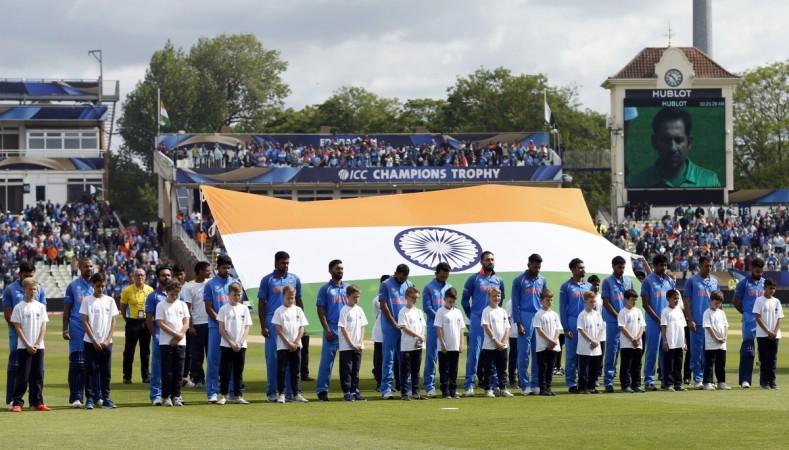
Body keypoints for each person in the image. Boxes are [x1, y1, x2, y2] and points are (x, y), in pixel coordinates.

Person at [627, 106, 721, 188]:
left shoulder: (710, 181)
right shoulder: (636, 183)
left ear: (689, 142)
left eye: (679, 140)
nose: (673, 148)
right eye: (666, 140)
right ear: (654, 142)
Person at [258, 251, 302, 402]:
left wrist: (301, 321)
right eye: (283, 263)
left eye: (287, 263)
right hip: (272, 319)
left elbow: (299, 300)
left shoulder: (294, 279)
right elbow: (262, 303)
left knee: (292, 357)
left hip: (291, 319)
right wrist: (263, 325)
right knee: (273, 359)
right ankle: (272, 392)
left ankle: (291, 393)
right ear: (276, 263)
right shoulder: (267, 280)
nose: (286, 266)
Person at [462, 251, 506, 396]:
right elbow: (464, 300)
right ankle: (469, 385)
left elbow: (501, 298)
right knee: (474, 353)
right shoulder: (474, 279)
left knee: (493, 353)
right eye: (487, 259)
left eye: (492, 259)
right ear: (481, 261)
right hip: (477, 321)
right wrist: (472, 315)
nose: (490, 261)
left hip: (493, 322)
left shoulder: (498, 280)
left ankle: (494, 385)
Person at [4, 260, 46, 409]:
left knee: (37, 371)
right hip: (18, 335)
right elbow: (9, 316)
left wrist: (35, 340)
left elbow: (42, 317)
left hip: (36, 338)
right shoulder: (10, 289)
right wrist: (24, 336)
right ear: (20, 274)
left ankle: (36, 401)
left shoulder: (40, 290)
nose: (28, 277)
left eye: (31, 274)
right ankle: (13, 400)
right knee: (17, 367)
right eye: (26, 275)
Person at [80, 273, 119, 409]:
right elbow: (84, 321)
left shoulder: (110, 300)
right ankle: (90, 399)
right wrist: (93, 339)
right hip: (90, 342)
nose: (100, 289)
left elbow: (113, 320)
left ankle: (105, 398)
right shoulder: (87, 300)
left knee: (105, 371)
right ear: (93, 285)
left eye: (103, 286)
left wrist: (108, 339)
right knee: (90, 371)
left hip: (106, 342)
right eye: (98, 286)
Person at [511, 253, 548, 396]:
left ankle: (535, 383)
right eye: (534, 266)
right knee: (524, 354)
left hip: (538, 317)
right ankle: (524, 384)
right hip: (525, 317)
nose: (537, 269)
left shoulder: (542, 280)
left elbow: (545, 301)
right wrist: (518, 323)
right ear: (528, 265)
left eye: (539, 267)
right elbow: (515, 303)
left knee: (537, 353)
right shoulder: (519, 280)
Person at [379, 264, 414, 400]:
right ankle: (386, 389)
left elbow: (411, 305)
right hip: (390, 328)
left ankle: (407, 388)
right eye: (401, 276)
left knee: (406, 359)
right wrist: (394, 323)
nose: (403, 279)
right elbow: (384, 305)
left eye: (405, 277)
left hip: (405, 328)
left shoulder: (409, 284)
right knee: (389, 358)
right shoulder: (386, 285)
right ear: (396, 273)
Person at [204, 255, 236, 403]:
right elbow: (208, 307)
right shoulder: (211, 284)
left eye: (228, 267)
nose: (226, 270)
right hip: (216, 327)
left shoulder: (234, 283)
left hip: (232, 328)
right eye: (224, 267)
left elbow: (238, 305)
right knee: (214, 359)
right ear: (218, 268)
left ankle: (230, 391)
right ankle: (212, 392)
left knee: (230, 360)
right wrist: (220, 321)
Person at [315, 259, 348, 401]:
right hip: (332, 328)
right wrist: (327, 329)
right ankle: (322, 390)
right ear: (330, 271)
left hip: (346, 329)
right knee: (327, 362)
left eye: (341, 268)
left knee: (347, 363)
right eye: (337, 268)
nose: (340, 271)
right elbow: (320, 310)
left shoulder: (348, 288)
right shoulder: (325, 289)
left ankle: (349, 390)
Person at [684, 255, 719, 389]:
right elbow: (686, 301)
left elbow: (718, 302)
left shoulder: (714, 282)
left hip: (711, 323)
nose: (709, 268)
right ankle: (697, 378)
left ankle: (707, 379)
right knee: (696, 352)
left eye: (710, 266)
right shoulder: (692, 281)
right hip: (697, 322)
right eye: (706, 266)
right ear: (700, 265)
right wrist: (690, 319)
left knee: (710, 353)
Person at [62, 257, 93, 408]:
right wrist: (65, 328)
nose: (89, 268)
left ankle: (93, 397)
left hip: (95, 331)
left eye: (91, 266)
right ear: (80, 268)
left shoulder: (97, 285)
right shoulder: (73, 286)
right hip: (77, 328)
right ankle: (76, 397)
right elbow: (67, 309)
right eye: (86, 266)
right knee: (77, 364)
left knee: (93, 365)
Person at [641, 254, 674, 391]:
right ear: (654, 266)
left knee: (666, 352)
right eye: (661, 265)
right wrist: (658, 319)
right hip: (654, 322)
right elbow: (646, 304)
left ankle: (666, 381)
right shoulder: (648, 281)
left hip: (667, 322)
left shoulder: (669, 281)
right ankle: (649, 381)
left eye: (665, 265)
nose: (664, 268)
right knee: (652, 351)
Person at [271, 285, 309, 403]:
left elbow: (302, 327)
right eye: (288, 298)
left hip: (296, 345)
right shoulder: (279, 311)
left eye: (292, 298)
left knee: (296, 370)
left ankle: (296, 393)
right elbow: (278, 329)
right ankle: (282, 394)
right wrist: (288, 342)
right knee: (282, 370)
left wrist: (296, 341)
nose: (291, 300)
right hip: (283, 346)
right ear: (283, 297)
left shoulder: (298, 310)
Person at [559, 258, 592, 393]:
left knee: (586, 355)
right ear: (572, 270)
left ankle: (585, 383)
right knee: (572, 355)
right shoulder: (566, 286)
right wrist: (566, 328)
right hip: (572, 322)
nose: (583, 270)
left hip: (587, 323)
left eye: (583, 267)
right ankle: (571, 384)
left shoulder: (588, 287)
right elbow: (562, 308)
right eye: (580, 268)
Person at [155, 280, 190, 407]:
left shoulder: (182, 305)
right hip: (166, 342)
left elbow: (186, 322)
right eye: (172, 294)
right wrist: (175, 335)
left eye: (177, 294)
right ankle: (165, 397)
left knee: (179, 371)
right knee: (167, 371)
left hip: (181, 342)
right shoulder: (161, 305)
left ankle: (176, 396)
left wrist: (180, 335)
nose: (174, 297)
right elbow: (160, 323)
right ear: (167, 292)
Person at [601, 255, 633, 393]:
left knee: (626, 352)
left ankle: (626, 382)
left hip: (627, 322)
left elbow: (631, 300)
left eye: (623, 267)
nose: (622, 270)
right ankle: (608, 381)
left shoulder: (628, 281)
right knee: (612, 352)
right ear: (613, 266)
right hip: (613, 322)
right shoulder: (607, 282)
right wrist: (618, 316)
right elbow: (606, 302)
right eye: (619, 267)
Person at [216, 282, 252, 405]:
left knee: (238, 370)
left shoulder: (244, 309)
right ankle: (223, 395)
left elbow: (247, 327)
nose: (237, 297)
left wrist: (240, 341)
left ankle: (237, 395)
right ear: (228, 295)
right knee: (225, 371)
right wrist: (231, 342)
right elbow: (221, 329)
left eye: (239, 295)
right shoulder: (223, 309)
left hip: (241, 345)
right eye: (234, 295)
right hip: (227, 345)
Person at [733, 258, 765, 389]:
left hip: (764, 321)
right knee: (748, 350)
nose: (759, 274)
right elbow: (736, 301)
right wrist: (746, 313)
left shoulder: (764, 283)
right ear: (752, 268)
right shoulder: (743, 283)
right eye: (757, 271)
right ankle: (745, 380)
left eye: (762, 272)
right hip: (750, 320)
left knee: (765, 352)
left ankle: (766, 381)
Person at [422, 262, 452, 398]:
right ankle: (430, 386)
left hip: (448, 327)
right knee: (431, 356)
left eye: (447, 275)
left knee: (449, 357)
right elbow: (427, 308)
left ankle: (447, 386)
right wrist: (440, 318)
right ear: (437, 273)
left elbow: (454, 306)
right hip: (434, 326)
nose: (445, 277)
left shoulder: (450, 287)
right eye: (443, 274)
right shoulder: (429, 287)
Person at [119, 268, 154, 385]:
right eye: (137, 275)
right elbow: (122, 308)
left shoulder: (150, 290)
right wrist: (127, 320)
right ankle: (127, 376)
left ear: (145, 277)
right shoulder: (127, 290)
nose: (140, 277)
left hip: (146, 322)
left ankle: (146, 376)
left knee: (145, 351)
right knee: (129, 351)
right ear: (133, 277)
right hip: (132, 322)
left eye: (142, 275)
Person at [145, 264, 172, 406]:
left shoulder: (177, 294)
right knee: (157, 367)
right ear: (158, 277)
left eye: (168, 275)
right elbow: (148, 318)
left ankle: (173, 395)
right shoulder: (153, 296)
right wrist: (154, 334)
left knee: (173, 367)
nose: (166, 278)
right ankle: (156, 395)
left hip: (175, 337)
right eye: (163, 275)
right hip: (159, 336)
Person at [479, 288, 512, 398]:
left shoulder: (503, 311)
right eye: (494, 296)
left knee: (502, 369)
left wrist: (503, 342)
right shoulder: (486, 311)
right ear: (489, 297)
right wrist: (496, 341)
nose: (496, 298)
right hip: (489, 346)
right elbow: (487, 327)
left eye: (498, 296)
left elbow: (507, 328)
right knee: (489, 369)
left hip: (503, 346)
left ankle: (503, 388)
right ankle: (488, 389)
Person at [183, 261, 211, 387]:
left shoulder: (210, 284)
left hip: (211, 324)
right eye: (207, 270)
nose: (209, 272)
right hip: (197, 325)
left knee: (211, 354)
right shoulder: (189, 287)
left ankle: (214, 378)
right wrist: (190, 326)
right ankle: (198, 378)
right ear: (199, 271)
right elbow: (187, 308)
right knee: (196, 355)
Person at [338, 285, 368, 402]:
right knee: (347, 370)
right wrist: (351, 344)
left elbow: (362, 327)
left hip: (358, 346)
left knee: (356, 370)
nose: (356, 299)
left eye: (358, 297)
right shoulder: (344, 310)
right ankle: (347, 392)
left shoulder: (359, 310)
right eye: (354, 297)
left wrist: (360, 342)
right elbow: (343, 329)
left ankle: (355, 391)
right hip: (346, 346)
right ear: (348, 296)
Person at [434, 287, 465, 399]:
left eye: (453, 301)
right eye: (449, 301)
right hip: (444, 347)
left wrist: (461, 344)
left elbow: (461, 329)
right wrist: (442, 344)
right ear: (445, 299)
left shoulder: (458, 312)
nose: (451, 304)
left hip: (455, 346)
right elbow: (438, 329)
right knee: (444, 369)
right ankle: (445, 391)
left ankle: (453, 390)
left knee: (453, 369)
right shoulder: (440, 312)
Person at [398, 286, 426, 400]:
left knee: (416, 369)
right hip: (407, 345)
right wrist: (418, 336)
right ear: (406, 297)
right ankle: (404, 393)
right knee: (405, 370)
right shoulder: (403, 312)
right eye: (413, 297)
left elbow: (423, 326)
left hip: (418, 345)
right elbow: (404, 328)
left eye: (416, 298)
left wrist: (421, 336)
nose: (415, 300)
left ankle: (415, 392)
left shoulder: (419, 312)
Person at [753, 279, 782, 390]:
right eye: (770, 288)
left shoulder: (777, 301)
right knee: (764, 359)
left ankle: (772, 381)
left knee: (773, 359)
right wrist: (768, 331)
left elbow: (779, 318)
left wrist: (774, 331)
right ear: (764, 287)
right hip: (762, 335)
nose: (772, 290)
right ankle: (764, 382)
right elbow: (758, 317)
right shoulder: (759, 300)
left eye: (774, 288)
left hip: (775, 335)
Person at [533, 289, 560, 396]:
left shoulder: (554, 314)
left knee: (550, 368)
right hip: (543, 346)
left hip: (553, 346)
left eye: (551, 300)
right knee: (543, 367)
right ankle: (542, 388)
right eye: (547, 300)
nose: (549, 302)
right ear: (541, 300)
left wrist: (554, 341)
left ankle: (548, 387)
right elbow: (539, 330)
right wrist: (550, 340)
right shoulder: (539, 314)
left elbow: (558, 329)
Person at [576, 291, 604, 394]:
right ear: (585, 301)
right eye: (591, 301)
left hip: (596, 347)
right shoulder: (582, 315)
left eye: (594, 302)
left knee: (594, 368)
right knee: (584, 369)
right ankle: (582, 388)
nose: (593, 304)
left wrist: (597, 340)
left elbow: (601, 329)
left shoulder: (597, 314)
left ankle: (592, 387)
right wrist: (591, 340)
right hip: (585, 347)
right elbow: (581, 330)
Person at [618, 289, 645, 393]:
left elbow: (642, 326)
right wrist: (632, 339)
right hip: (627, 344)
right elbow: (622, 328)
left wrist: (638, 338)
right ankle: (625, 385)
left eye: (636, 300)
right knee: (626, 366)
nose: (634, 302)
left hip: (638, 344)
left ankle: (636, 385)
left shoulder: (638, 311)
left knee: (637, 365)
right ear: (626, 299)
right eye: (632, 299)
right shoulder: (623, 312)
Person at [660, 290, 687, 391]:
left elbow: (683, 327)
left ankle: (678, 384)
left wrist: (684, 341)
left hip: (679, 342)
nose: (676, 300)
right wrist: (665, 341)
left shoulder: (679, 310)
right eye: (674, 298)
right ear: (668, 299)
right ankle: (669, 384)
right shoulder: (665, 311)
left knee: (678, 364)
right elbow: (663, 327)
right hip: (670, 342)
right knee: (669, 364)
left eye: (677, 298)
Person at [702, 291, 729, 390]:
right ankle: (707, 382)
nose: (717, 305)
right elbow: (709, 327)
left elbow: (726, 325)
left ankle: (721, 382)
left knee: (721, 363)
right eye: (716, 302)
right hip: (711, 343)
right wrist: (717, 338)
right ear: (711, 301)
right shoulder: (707, 313)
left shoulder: (721, 312)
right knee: (709, 363)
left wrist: (724, 337)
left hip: (722, 344)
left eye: (719, 303)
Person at [171, 264, 192, 388]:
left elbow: (188, 307)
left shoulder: (188, 287)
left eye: (181, 274)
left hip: (185, 324)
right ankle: (174, 376)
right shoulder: (171, 287)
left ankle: (184, 376)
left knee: (187, 352)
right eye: (177, 274)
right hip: (173, 325)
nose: (180, 276)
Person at [371, 275, 390, 391]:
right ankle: (379, 382)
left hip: (391, 332)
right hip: (380, 332)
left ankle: (389, 382)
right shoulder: (376, 300)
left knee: (390, 358)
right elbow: (377, 316)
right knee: (379, 358)